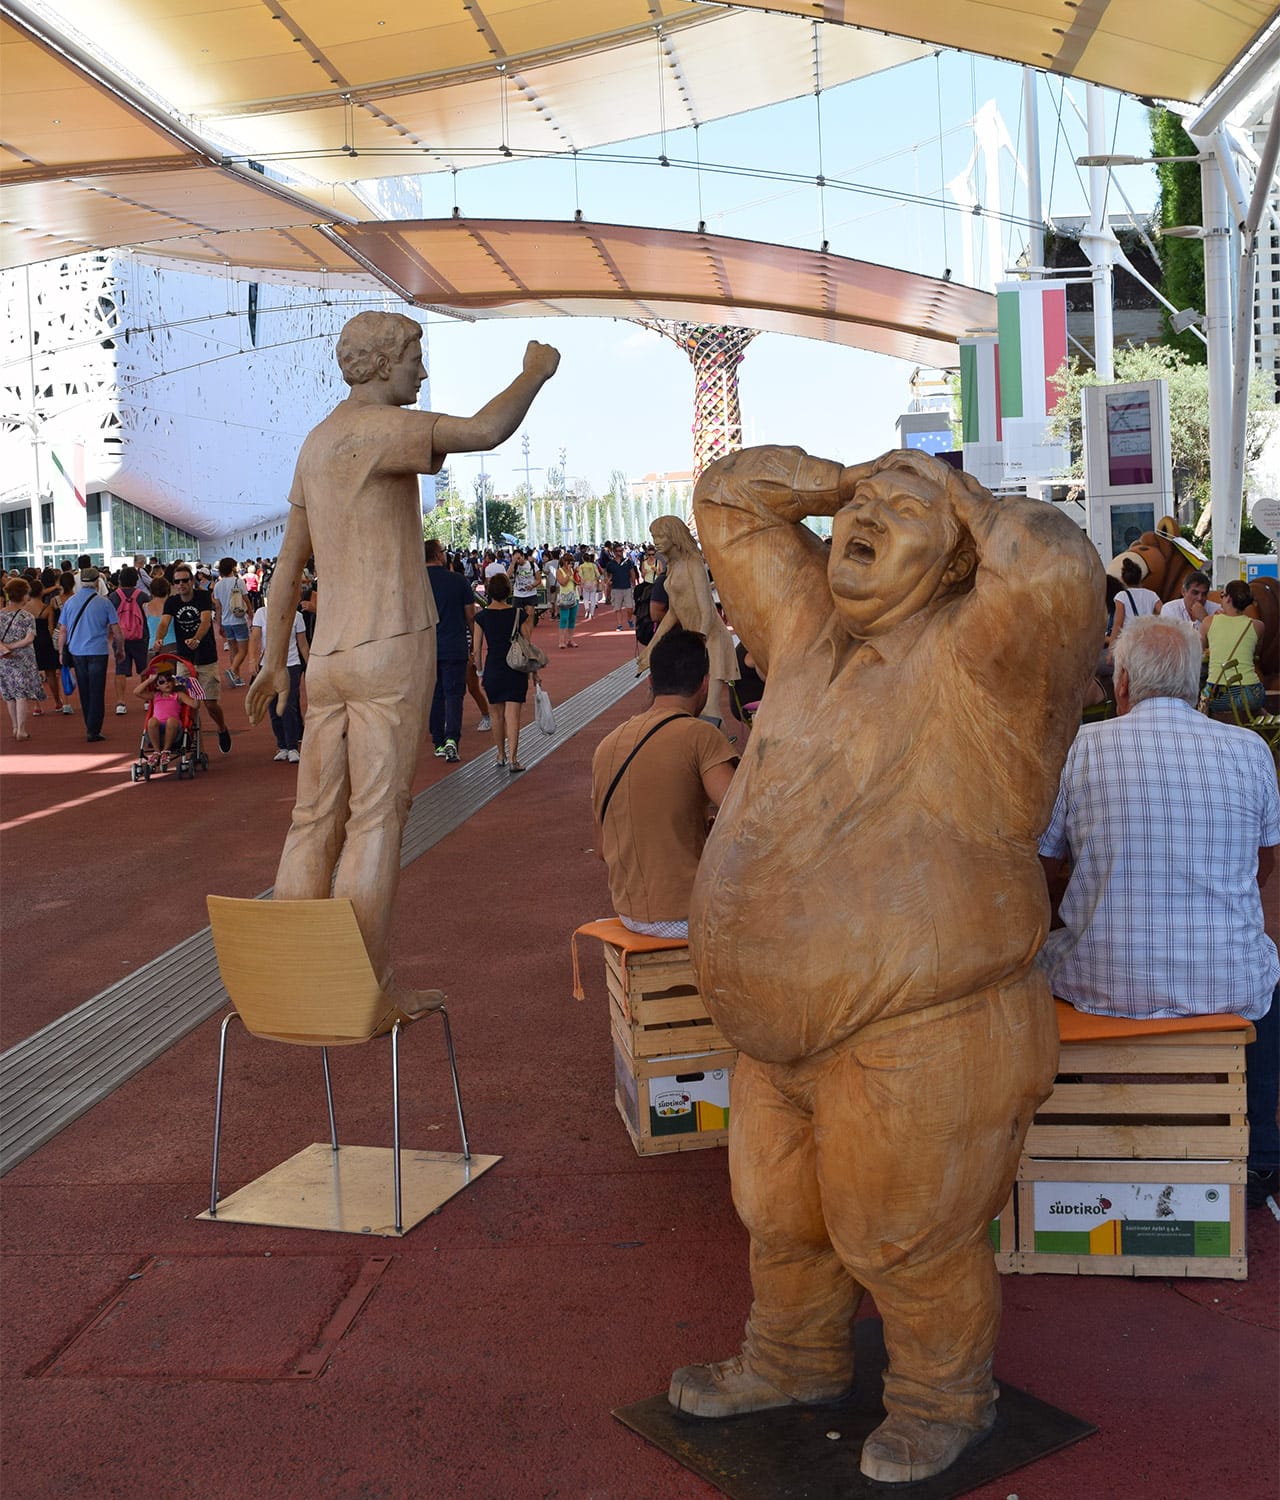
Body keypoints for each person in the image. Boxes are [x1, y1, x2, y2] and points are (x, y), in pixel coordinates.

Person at [670, 445, 1101, 1484]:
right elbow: (726, 496)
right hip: (778, 1031)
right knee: (782, 1219)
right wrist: (850, 477)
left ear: (956, 558)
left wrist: (954, 494)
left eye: (899, 512)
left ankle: (942, 1397)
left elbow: (1051, 567)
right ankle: (790, 1356)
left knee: (903, 1236)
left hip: (923, 1018)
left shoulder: (986, 660)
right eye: (856, 509)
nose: (864, 519)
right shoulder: (807, 632)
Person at [246, 310, 559, 989]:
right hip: (390, 642)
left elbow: (286, 571)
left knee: (313, 817)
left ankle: (297, 983)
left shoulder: (316, 442)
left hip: (326, 656)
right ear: (383, 362)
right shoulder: (385, 430)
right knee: (376, 818)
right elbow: (484, 430)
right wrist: (533, 374)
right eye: (416, 355)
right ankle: (362, 985)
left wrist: (276, 659)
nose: (422, 370)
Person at [1038, 614, 1279, 1209]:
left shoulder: (1080, 750)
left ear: (1122, 684)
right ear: (1197, 687)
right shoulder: (1249, 750)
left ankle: (1061, 1141)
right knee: (1267, 979)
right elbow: (1263, 866)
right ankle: (1265, 1157)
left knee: (1035, 966)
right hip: (1226, 983)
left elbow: (1041, 870)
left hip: (1097, 983)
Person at [591, 628, 737, 937]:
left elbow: (603, 850)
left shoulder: (607, 745)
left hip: (630, 913)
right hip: (686, 915)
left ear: (651, 682)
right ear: (705, 684)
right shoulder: (701, 736)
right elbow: (743, 817)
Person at [151, 565, 233, 753]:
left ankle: (221, 728)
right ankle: (195, 748)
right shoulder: (171, 602)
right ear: (173, 584)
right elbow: (164, 622)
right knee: (187, 705)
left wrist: (196, 638)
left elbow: (205, 620)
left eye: (185, 580)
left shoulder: (202, 596)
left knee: (210, 703)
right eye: (177, 581)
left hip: (206, 657)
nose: (181, 584)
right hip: (184, 660)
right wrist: (158, 639)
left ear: (191, 581)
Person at [472, 571, 538, 773]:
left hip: (493, 668)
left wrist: (481, 672)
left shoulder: (481, 617)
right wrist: (534, 672)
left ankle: (500, 755)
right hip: (515, 669)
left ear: (489, 592)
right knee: (513, 715)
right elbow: (527, 644)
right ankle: (514, 759)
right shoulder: (519, 614)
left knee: (496, 715)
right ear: (508, 592)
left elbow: (476, 650)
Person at [55, 568, 121, 742]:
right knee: (97, 690)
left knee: (84, 690)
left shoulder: (70, 602)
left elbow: (63, 630)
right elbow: (117, 630)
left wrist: (61, 652)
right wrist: (120, 649)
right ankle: (94, 729)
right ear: (97, 582)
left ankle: (89, 726)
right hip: (98, 651)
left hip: (77, 651)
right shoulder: (105, 603)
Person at [426, 537, 476, 763]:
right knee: (454, 694)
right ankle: (451, 739)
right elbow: (470, 616)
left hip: (426, 648)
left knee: (434, 695)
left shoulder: (416, 582)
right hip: (454, 645)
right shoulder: (458, 581)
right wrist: (474, 642)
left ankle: (437, 739)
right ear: (438, 555)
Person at [248, 592, 308, 762]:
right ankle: (281, 745)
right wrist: (252, 660)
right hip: (268, 667)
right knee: (273, 707)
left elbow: (302, 644)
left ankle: (292, 747)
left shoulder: (297, 617)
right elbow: (254, 638)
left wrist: (310, 664)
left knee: (288, 706)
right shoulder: (261, 614)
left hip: (291, 665)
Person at [1201, 579, 1265, 719]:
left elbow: (1200, 649)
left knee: (1202, 699)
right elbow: (1256, 653)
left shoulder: (1208, 622)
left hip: (1220, 694)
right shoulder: (1257, 626)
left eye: (1222, 595)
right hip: (1252, 694)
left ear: (1228, 598)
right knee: (1253, 709)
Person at [0, 578, 44, 739]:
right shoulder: (27, 617)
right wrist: (12, 647)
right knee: (21, 695)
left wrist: (5, 648)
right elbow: (29, 639)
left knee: (9, 695)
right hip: (23, 659)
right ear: (23, 595)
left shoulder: (0, 615)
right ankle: (22, 729)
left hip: (4, 660)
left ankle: (14, 727)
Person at [134, 664, 198, 771]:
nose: (166, 683)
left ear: (173, 681)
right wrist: (150, 680)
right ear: (157, 686)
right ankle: (157, 751)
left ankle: (166, 751)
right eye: (162, 682)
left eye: (169, 679)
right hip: (157, 728)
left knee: (171, 721)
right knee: (152, 721)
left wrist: (194, 691)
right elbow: (136, 692)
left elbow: (195, 705)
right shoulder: (155, 695)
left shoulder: (179, 695)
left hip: (175, 728)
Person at [109, 566, 151, 715]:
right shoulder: (143, 596)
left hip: (120, 637)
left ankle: (121, 702)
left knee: (120, 670)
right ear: (136, 580)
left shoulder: (114, 596)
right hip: (141, 637)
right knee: (144, 668)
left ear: (120, 580)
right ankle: (147, 700)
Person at [211, 557, 250, 686]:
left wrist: (219, 622)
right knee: (243, 650)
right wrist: (251, 613)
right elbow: (246, 599)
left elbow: (218, 606)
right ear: (232, 567)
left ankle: (237, 677)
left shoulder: (218, 585)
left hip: (226, 621)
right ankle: (233, 671)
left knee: (233, 650)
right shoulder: (239, 582)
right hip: (238, 619)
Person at [1108, 556, 1162, 639]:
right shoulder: (1152, 594)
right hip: (1148, 638)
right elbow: (1164, 613)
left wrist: (1111, 649)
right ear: (1141, 577)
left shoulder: (1121, 596)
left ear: (1122, 579)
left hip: (1130, 639)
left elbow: (1118, 624)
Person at [606, 545, 637, 630]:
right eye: (618, 551)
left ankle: (629, 619)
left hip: (627, 587)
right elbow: (608, 574)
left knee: (630, 607)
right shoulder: (610, 564)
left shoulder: (627, 562)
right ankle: (619, 625)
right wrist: (608, 581)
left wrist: (633, 583)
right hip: (616, 588)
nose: (620, 552)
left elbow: (632, 573)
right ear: (615, 552)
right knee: (617, 607)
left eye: (621, 550)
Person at [556, 554, 580, 648]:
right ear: (564, 562)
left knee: (572, 619)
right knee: (564, 618)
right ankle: (561, 641)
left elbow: (578, 582)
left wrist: (576, 574)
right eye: (568, 562)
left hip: (574, 596)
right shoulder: (559, 571)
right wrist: (569, 574)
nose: (570, 564)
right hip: (564, 598)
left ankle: (570, 639)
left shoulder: (572, 570)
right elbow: (562, 582)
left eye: (572, 562)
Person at [578, 552, 600, 620]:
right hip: (593, 583)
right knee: (593, 598)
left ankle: (587, 608)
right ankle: (592, 613)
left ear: (583, 559)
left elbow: (580, 575)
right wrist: (597, 580)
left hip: (585, 583)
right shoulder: (593, 565)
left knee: (586, 598)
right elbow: (598, 574)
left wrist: (582, 582)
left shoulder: (581, 566)